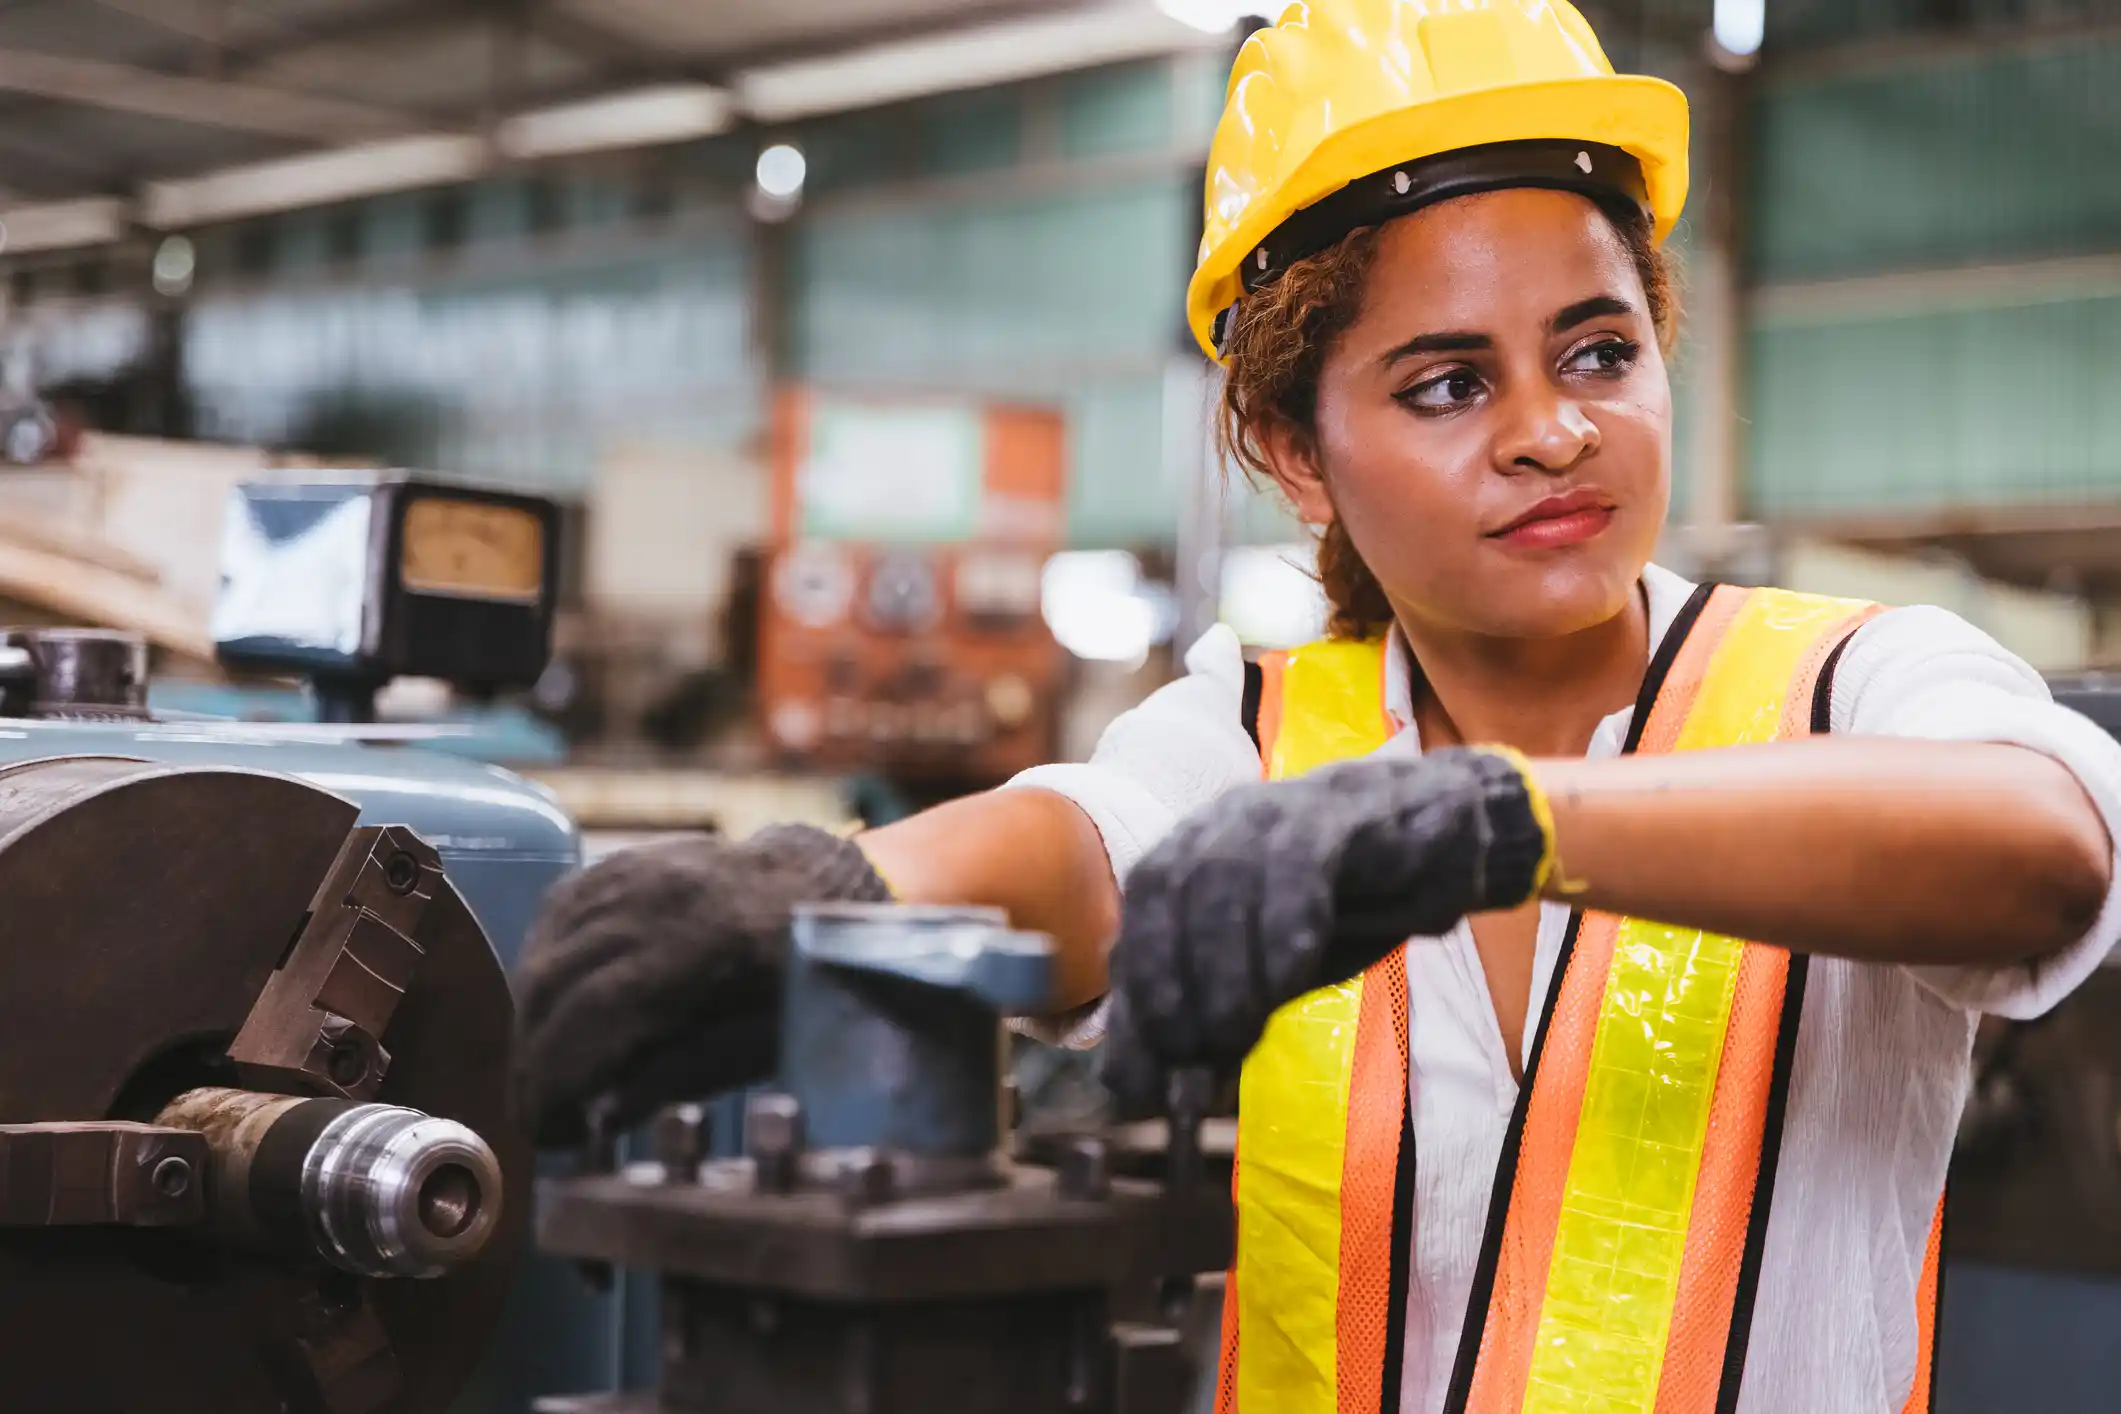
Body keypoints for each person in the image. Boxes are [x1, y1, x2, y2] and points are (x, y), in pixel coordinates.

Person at [513, 3, 2121, 1411]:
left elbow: (2044, 842)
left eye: (1599, 352)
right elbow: (1080, 848)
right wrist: (836, 889)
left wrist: (1506, 819)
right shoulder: (1267, 730)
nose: (1552, 431)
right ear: (1296, 453)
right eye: (1446, 382)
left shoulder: (1857, 679)